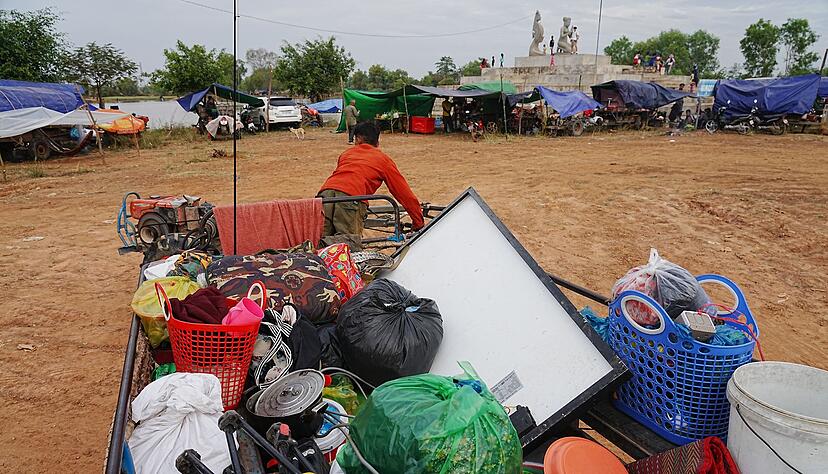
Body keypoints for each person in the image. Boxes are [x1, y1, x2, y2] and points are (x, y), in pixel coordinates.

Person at [318, 121, 424, 239]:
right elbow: (403, 193)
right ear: (377, 142)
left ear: (357, 139)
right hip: (352, 197)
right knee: (348, 244)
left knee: (320, 239)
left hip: (324, 195)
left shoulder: (346, 154)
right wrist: (418, 222)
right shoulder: (383, 160)